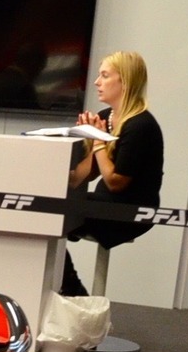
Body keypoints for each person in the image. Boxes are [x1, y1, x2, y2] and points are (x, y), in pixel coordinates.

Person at [61, 50, 164, 296]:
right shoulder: (106, 117)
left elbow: (116, 182)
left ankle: (74, 291)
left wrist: (97, 142)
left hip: (130, 211)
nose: (97, 82)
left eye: (105, 76)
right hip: (102, 203)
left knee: (55, 217)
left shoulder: (140, 125)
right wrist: (86, 139)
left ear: (125, 82)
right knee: (48, 214)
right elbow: (84, 176)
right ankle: (70, 288)